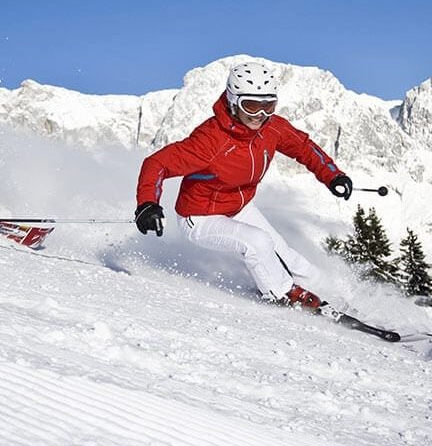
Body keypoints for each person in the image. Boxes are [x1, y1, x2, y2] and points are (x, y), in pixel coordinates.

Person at [134, 60, 353, 310]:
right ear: (233, 100)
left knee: (287, 256)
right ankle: (283, 295)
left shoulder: (272, 129)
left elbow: (304, 148)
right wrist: (148, 204)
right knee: (257, 242)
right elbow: (157, 164)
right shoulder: (211, 139)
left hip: (239, 206)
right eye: (251, 106)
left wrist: (333, 175)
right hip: (200, 216)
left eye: (268, 106)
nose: (260, 115)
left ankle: (334, 297)